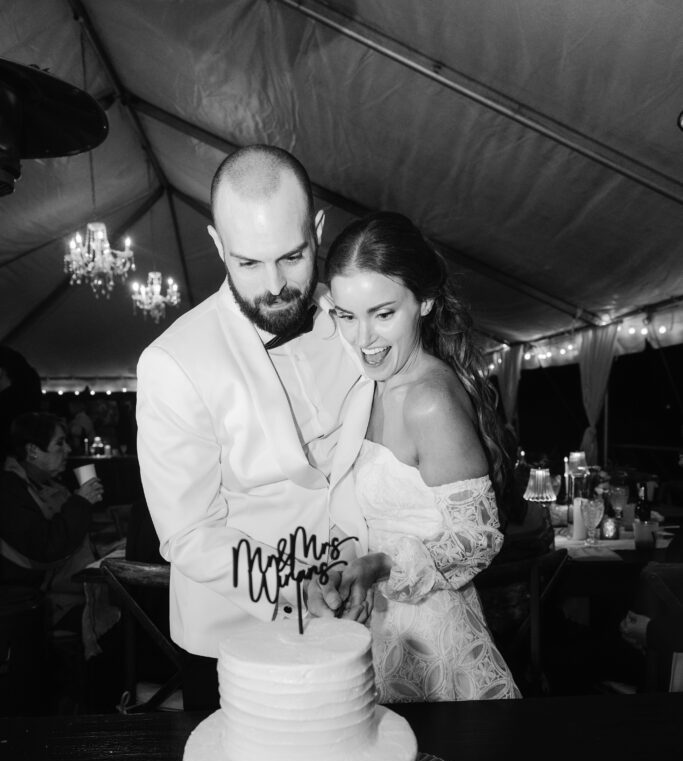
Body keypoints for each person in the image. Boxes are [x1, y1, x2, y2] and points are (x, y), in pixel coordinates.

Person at [136, 146, 372, 711]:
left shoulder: (354, 317)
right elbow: (189, 533)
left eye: (292, 256)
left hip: (358, 625)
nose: (275, 285)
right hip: (235, 640)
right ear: (218, 245)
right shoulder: (173, 362)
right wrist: (299, 587)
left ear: (318, 230)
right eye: (248, 263)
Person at [324, 211, 520, 701]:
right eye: (347, 316)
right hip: (369, 634)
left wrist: (383, 565)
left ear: (425, 301)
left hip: (431, 644)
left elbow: (478, 538)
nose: (363, 339)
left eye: (383, 314)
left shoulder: (428, 400)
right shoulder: (366, 385)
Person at [0, 412, 118, 711]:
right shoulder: (10, 490)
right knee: (117, 629)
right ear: (32, 451)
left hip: (55, 594)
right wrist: (80, 502)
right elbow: (45, 546)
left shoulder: (44, 486)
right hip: (37, 603)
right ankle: (96, 715)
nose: (67, 450)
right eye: (59, 443)